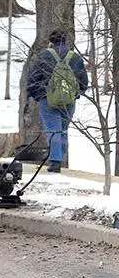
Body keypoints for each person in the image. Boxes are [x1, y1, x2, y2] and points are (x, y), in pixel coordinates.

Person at [27, 30, 88, 173]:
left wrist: (38, 96)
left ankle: (55, 162)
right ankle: (61, 158)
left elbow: (32, 79)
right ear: (65, 41)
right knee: (63, 130)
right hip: (69, 102)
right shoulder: (75, 58)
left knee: (53, 130)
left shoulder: (44, 56)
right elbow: (83, 82)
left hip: (48, 100)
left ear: (51, 41)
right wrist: (74, 95)